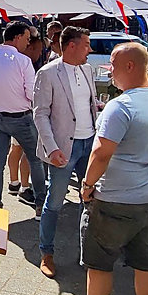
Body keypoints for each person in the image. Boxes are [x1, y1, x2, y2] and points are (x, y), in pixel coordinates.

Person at [78, 43, 148, 295]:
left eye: (114, 65)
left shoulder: (121, 106)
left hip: (114, 199)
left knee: (99, 264)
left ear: (131, 66)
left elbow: (101, 153)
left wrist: (87, 185)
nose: (109, 70)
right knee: (146, 262)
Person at [33, 26, 97, 279]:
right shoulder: (48, 73)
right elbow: (40, 114)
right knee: (55, 202)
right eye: (86, 44)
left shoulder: (88, 69)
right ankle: (46, 253)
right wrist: (52, 148)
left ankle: (88, 254)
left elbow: (88, 104)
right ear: (71, 45)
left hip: (88, 144)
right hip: (63, 149)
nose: (90, 50)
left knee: (90, 200)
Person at [0, 21, 46, 215]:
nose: (28, 44)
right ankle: (40, 206)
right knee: (35, 160)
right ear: (18, 37)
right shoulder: (23, 61)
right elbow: (31, 93)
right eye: (27, 39)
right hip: (20, 117)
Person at [8, 27, 46, 204]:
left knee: (17, 149)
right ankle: (24, 187)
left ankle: (14, 183)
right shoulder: (24, 62)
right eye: (38, 50)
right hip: (24, 114)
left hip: (16, 113)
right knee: (27, 151)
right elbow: (31, 93)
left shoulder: (17, 61)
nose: (40, 54)